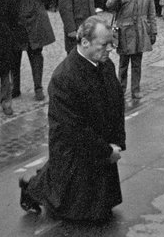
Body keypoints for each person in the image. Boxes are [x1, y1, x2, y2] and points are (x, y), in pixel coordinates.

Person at [18, 16, 126, 221]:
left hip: (97, 140)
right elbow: (74, 129)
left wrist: (116, 142)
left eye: (111, 43)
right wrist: (106, 151)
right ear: (85, 43)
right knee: (75, 208)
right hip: (75, 147)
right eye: (104, 45)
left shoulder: (105, 65)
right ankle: (31, 191)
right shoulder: (64, 78)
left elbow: (116, 103)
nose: (110, 49)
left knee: (101, 207)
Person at [5, 0, 55, 101]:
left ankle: (38, 87)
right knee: (14, 58)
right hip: (16, 25)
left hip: (35, 25)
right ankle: (15, 87)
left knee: (36, 57)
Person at [106, 0, 157, 99]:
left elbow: (152, 15)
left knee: (137, 63)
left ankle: (136, 89)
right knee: (123, 63)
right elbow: (110, 5)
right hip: (124, 31)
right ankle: (121, 89)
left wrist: (153, 32)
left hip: (140, 31)